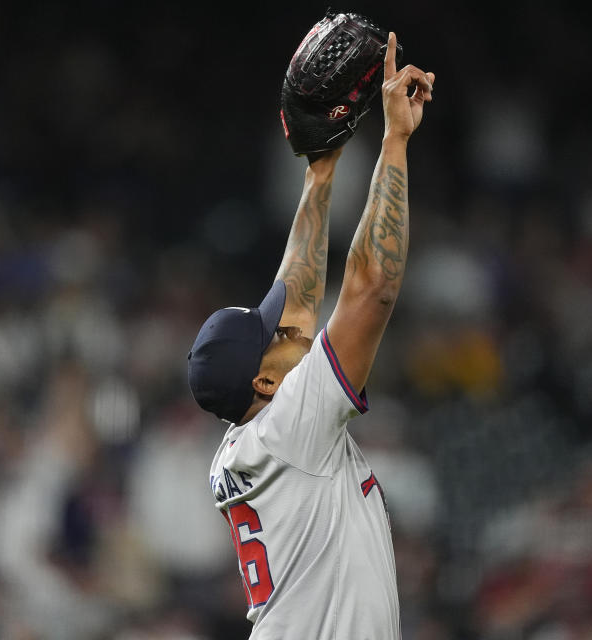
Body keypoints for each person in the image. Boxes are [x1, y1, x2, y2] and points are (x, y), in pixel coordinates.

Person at [187, 32, 434, 638]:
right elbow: (371, 287)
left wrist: (320, 172)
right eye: (279, 335)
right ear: (266, 378)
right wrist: (394, 141)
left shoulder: (257, 430)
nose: (297, 324)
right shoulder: (290, 426)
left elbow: (296, 295)